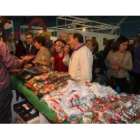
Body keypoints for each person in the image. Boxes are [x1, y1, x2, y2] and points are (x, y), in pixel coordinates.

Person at [0, 41, 30, 123]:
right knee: (4, 118)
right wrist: (23, 60)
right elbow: (11, 64)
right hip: (2, 89)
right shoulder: (1, 44)